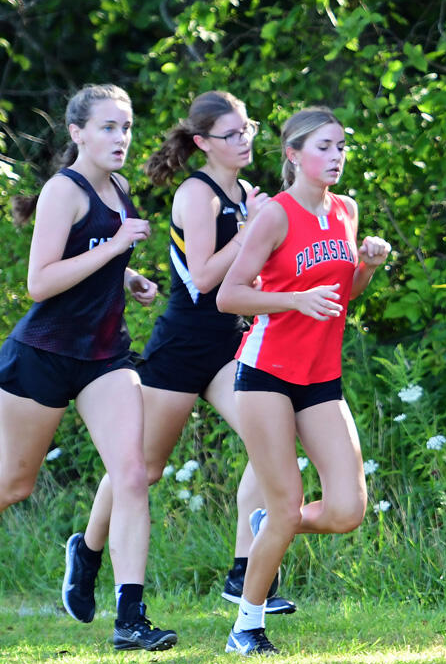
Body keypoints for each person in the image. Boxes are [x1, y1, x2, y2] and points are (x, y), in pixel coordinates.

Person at [61, 91, 300, 625]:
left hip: (230, 342)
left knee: (271, 439)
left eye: (248, 129)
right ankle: (88, 551)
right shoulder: (198, 194)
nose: (244, 140)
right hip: (183, 346)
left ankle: (243, 571)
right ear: (203, 142)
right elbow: (205, 277)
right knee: (142, 470)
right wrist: (250, 228)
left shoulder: (246, 194)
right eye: (231, 134)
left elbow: (250, 274)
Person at [0, 84, 176, 651]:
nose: (121, 138)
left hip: (104, 357)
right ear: (77, 133)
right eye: (108, 127)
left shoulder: (119, 189)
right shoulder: (63, 190)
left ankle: (130, 620)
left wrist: (129, 276)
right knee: (14, 483)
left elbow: (95, 257)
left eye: (126, 127)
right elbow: (40, 282)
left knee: (132, 475)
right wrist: (116, 248)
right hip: (44, 355)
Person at [216, 106, 390, 655]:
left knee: (346, 510)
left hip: (320, 377)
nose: (336, 156)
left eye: (341, 146)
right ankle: (246, 628)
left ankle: (272, 522)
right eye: (324, 147)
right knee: (289, 506)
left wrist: (366, 267)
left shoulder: (346, 211)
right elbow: (228, 296)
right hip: (265, 373)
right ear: (293, 154)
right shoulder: (275, 215)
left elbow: (341, 295)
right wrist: (293, 300)